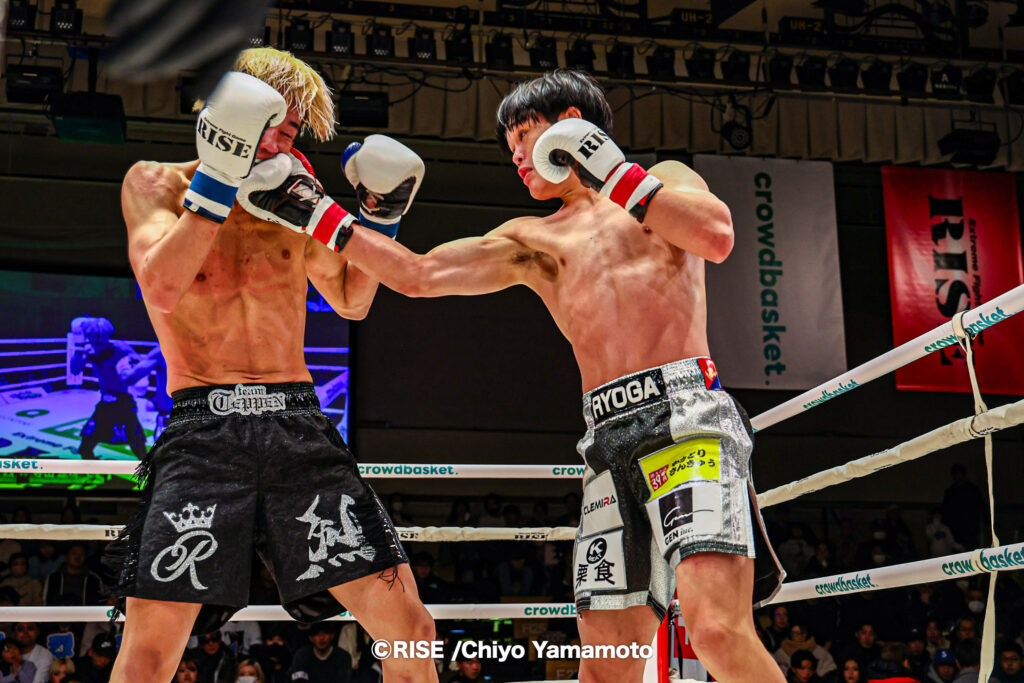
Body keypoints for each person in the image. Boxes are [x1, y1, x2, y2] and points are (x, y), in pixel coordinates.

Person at [331, 68, 784, 683]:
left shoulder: (663, 181)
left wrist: (610, 167)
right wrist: (324, 216)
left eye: (523, 135)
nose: (517, 156)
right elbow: (418, 276)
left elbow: (716, 235)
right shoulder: (533, 238)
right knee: (605, 667)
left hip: (685, 418)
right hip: (605, 443)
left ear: (571, 123)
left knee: (714, 631)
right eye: (509, 146)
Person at [103, 46, 436, 682]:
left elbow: (352, 298)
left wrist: (379, 219)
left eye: (292, 134)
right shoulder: (156, 184)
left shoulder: (294, 196)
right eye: (277, 127)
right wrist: (219, 180)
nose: (285, 144)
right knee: (149, 654)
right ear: (232, 113)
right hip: (203, 432)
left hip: (297, 428)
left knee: (411, 631)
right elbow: (162, 287)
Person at [68, 316, 148, 459]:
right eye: (95, 337)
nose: (99, 341)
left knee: (137, 444)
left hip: (124, 401)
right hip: (105, 402)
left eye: (102, 337)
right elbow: (75, 370)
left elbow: (142, 364)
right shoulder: (88, 351)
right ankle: (90, 466)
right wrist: (79, 348)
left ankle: (151, 468)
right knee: (86, 443)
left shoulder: (120, 348)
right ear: (88, 337)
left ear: (108, 336)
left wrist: (133, 374)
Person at [286, 623, 351, 683]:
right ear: (311, 638)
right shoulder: (302, 655)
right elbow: (298, 680)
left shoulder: (343, 656)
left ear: (332, 636)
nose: (321, 637)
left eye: (325, 633)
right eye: (317, 634)